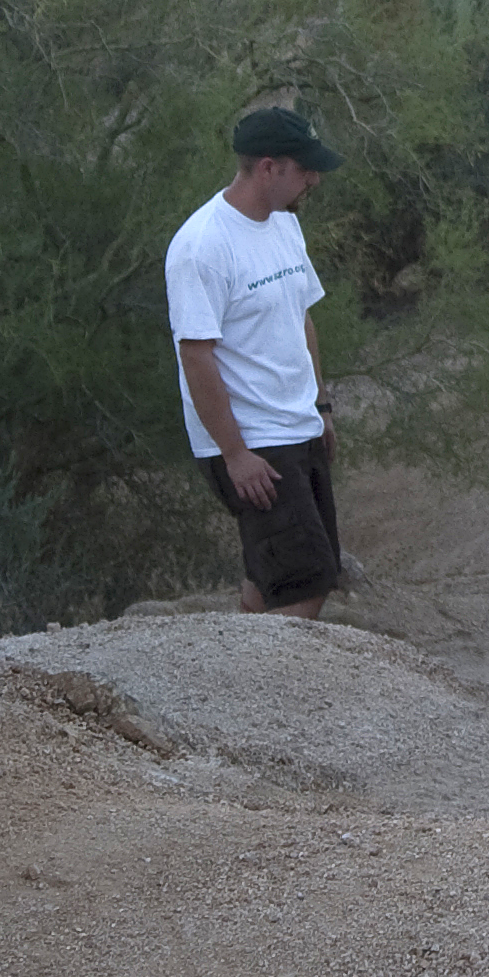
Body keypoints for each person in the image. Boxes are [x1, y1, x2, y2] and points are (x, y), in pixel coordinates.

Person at [169, 105, 348, 619]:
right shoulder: (202, 246)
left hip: (298, 425)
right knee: (305, 582)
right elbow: (195, 356)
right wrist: (235, 454)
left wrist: (321, 407)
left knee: (277, 573)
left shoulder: (285, 227)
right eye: (304, 168)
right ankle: (278, 675)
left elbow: (301, 317)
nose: (313, 180)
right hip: (252, 440)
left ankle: (239, 660)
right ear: (269, 167)